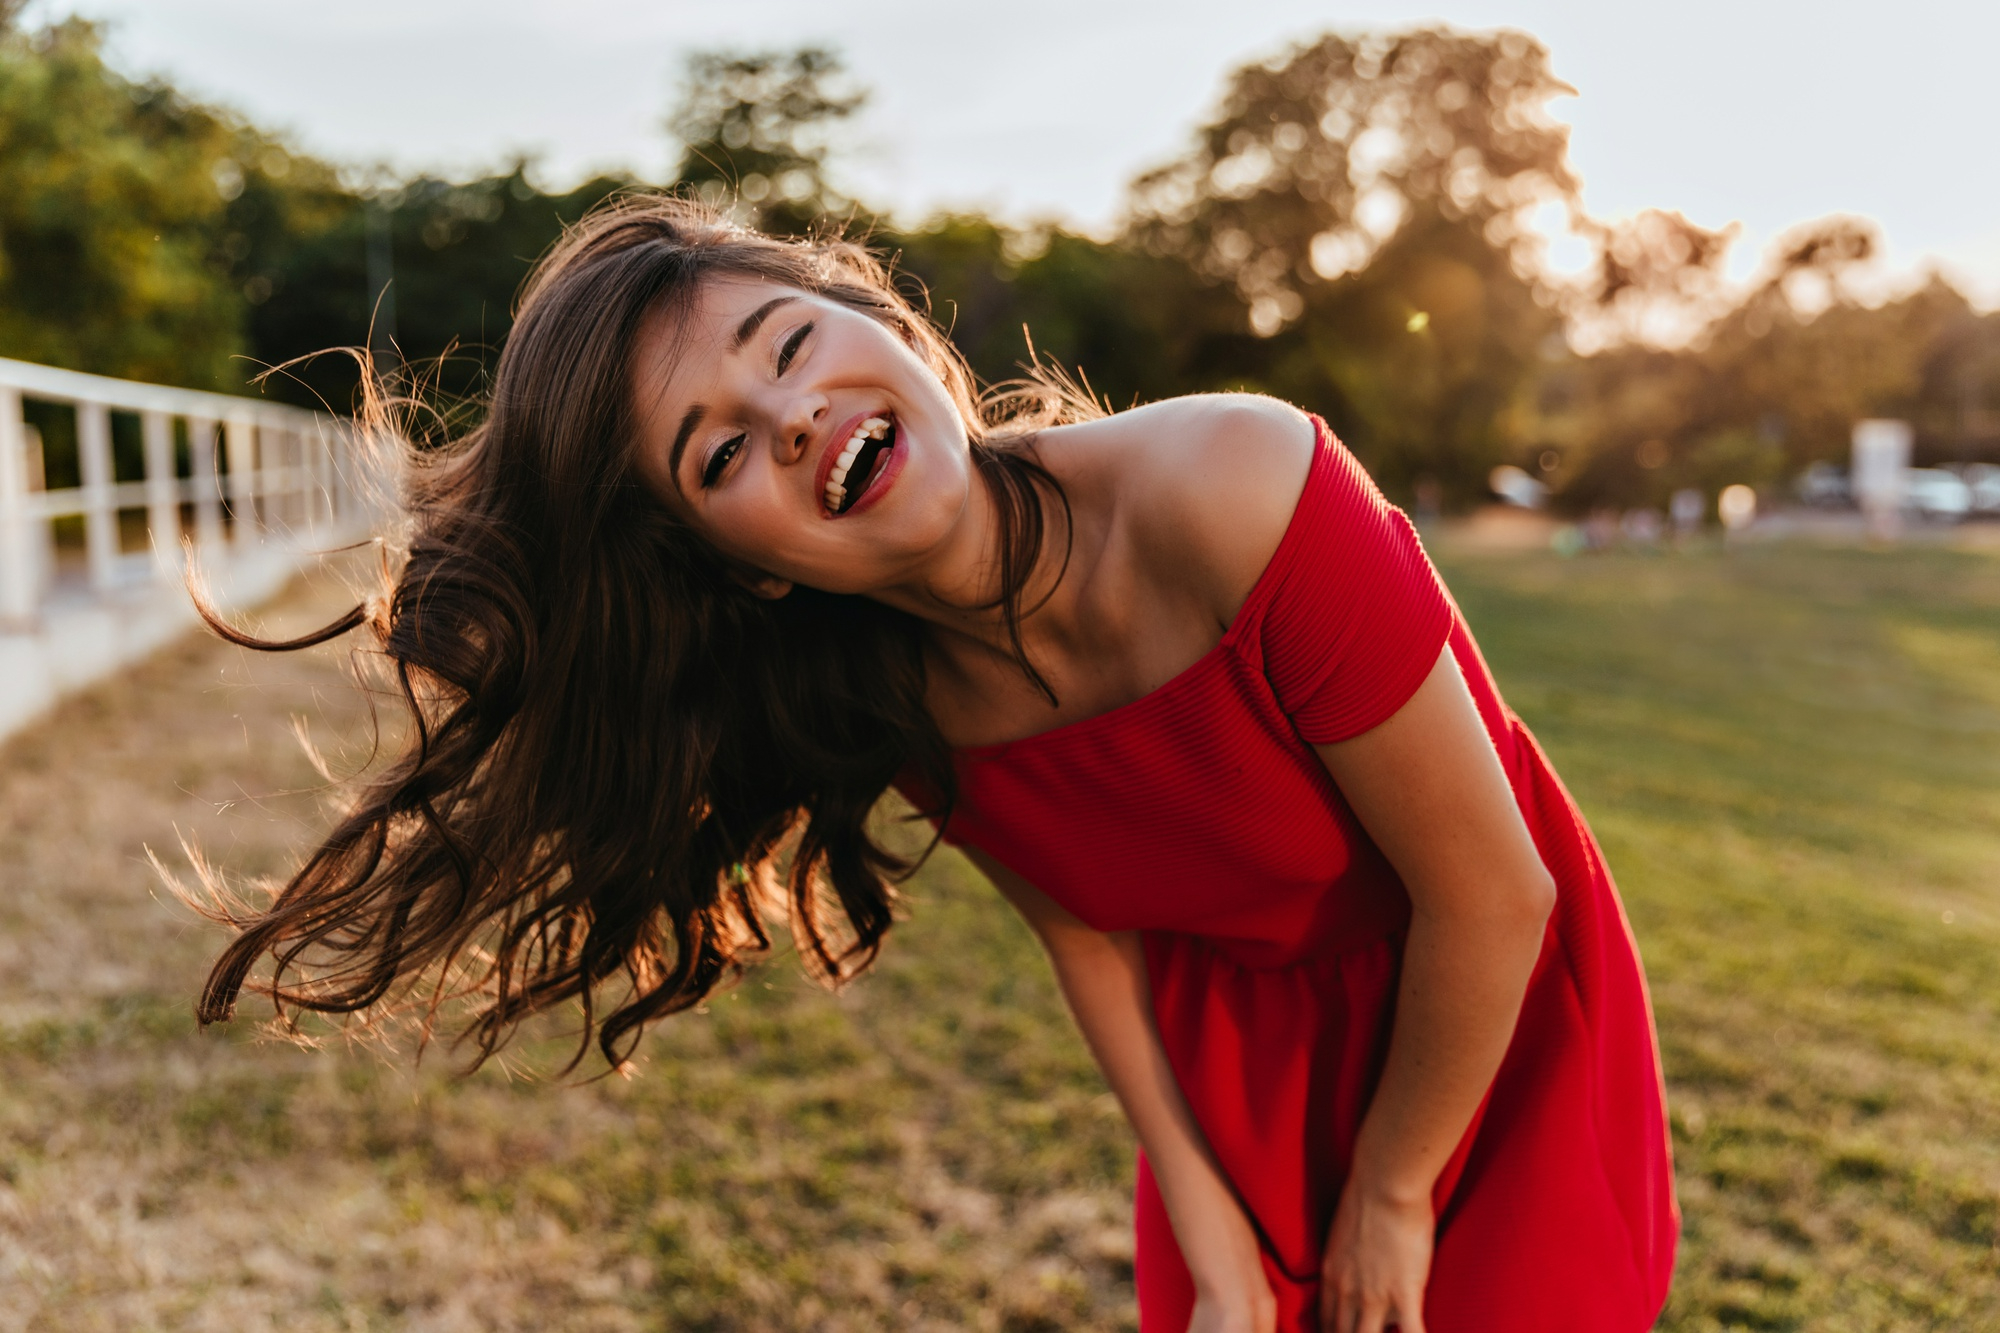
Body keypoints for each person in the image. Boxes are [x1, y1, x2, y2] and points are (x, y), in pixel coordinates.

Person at [189, 197, 1677, 1333]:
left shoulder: (1237, 482)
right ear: (743, 568)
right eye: (716, 459)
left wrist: (1396, 1190)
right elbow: (1089, 935)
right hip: (1234, 1064)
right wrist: (1211, 1227)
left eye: (786, 345)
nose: (791, 419)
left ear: (874, 317)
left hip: (1479, 1011)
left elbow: (1493, 890)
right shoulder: (885, 695)